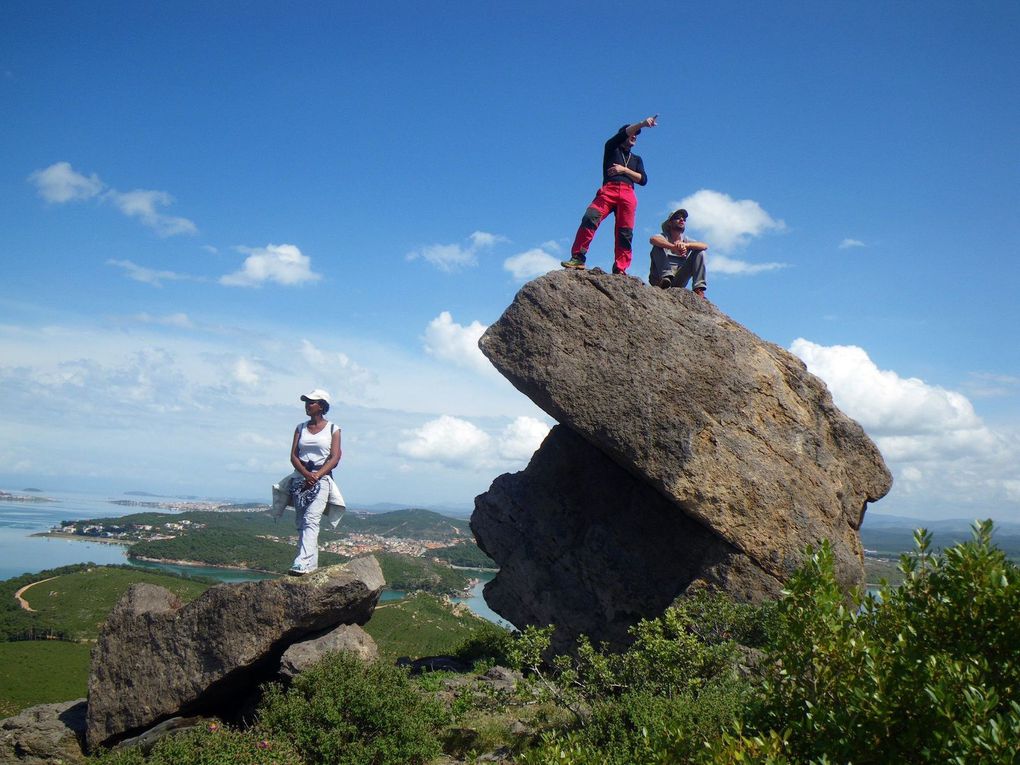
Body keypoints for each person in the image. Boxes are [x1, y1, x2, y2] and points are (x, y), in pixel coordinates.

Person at [562, 116, 658, 275]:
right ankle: (578, 257)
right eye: (632, 133)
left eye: (637, 135)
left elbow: (643, 180)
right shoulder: (611, 147)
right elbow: (624, 136)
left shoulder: (636, 159)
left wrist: (624, 170)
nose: (634, 136)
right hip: (609, 190)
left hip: (628, 194)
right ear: (623, 135)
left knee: (625, 233)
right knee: (590, 218)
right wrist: (642, 123)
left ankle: (620, 268)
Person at [284, 388, 343, 575]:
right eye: (307, 402)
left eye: (312, 402)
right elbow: (293, 455)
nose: (307, 405)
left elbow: (334, 457)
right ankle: (311, 565)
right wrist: (305, 474)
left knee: (311, 519)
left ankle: (302, 562)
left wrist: (316, 476)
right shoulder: (300, 428)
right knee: (302, 522)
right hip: (300, 479)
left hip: (321, 479)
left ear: (322, 406)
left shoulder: (333, 429)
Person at [648, 208, 708, 298]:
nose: (682, 220)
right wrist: (673, 247)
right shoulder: (664, 237)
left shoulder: (686, 240)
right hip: (659, 279)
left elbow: (704, 246)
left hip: (678, 280)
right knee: (657, 247)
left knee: (700, 252)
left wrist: (686, 245)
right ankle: (665, 278)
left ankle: (698, 289)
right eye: (677, 218)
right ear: (670, 223)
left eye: (684, 219)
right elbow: (653, 239)